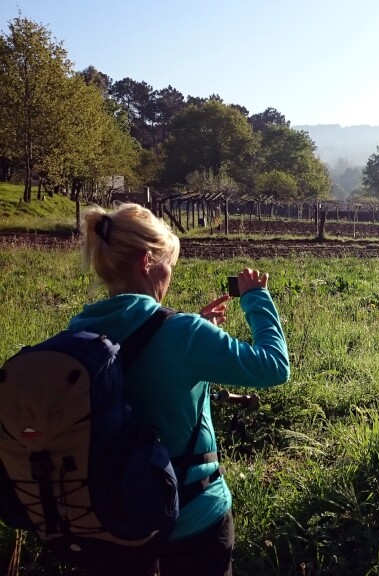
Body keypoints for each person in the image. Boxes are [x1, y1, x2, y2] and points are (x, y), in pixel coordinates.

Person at [65, 202, 290, 576]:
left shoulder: (80, 329)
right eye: (168, 263)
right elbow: (273, 366)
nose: (169, 274)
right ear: (147, 261)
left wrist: (195, 328)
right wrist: (256, 298)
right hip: (191, 517)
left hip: (112, 519)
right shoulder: (183, 333)